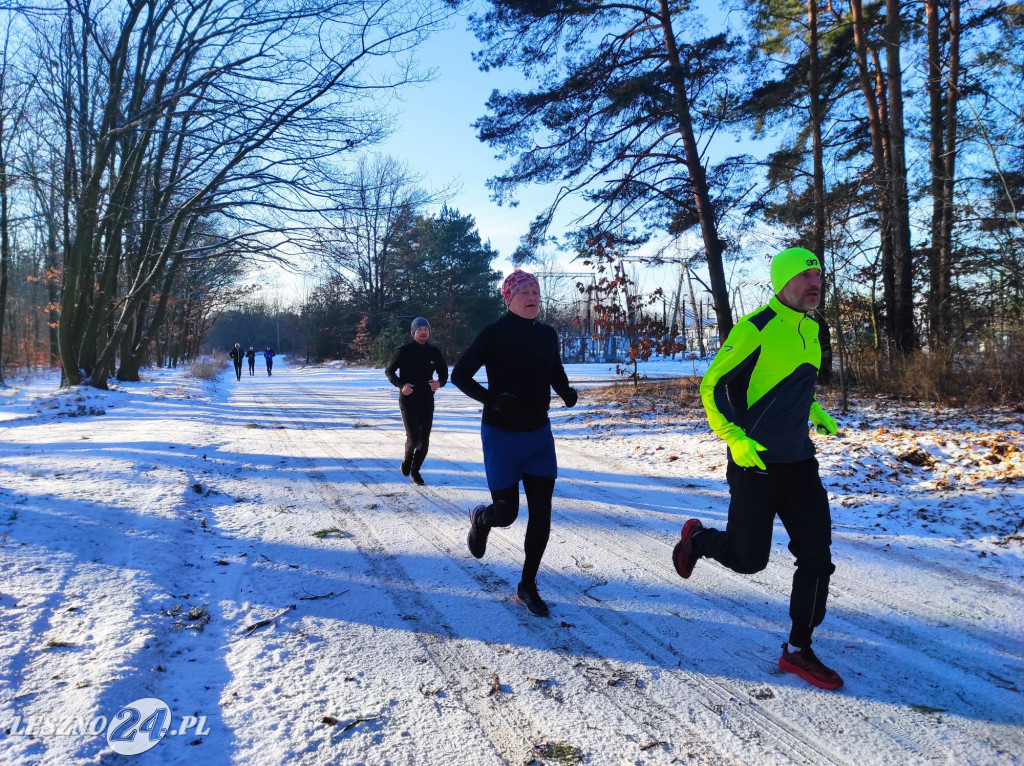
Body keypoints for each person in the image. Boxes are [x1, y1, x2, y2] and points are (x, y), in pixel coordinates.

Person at [672, 247, 843, 690]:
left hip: (801, 465)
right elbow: (713, 387)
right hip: (756, 465)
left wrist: (814, 409)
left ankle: (799, 650)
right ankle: (698, 539)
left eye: (817, 276)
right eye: (804, 276)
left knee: (818, 558)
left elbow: (787, 384)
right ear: (781, 281)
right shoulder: (755, 329)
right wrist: (734, 439)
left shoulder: (812, 327)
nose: (813, 283)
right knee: (749, 560)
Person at [452, 269, 578, 617]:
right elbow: (459, 375)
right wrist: (491, 399)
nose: (532, 296)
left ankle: (527, 585)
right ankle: (481, 519)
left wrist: (566, 391)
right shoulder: (493, 334)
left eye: (535, 291)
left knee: (542, 515)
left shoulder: (548, 335)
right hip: (502, 438)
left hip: (538, 437)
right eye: (523, 292)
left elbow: (554, 369)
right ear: (508, 298)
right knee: (506, 514)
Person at [384, 317, 448, 486]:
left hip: (427, 401)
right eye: (419, 329)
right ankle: (407, 460)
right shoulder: (403, 351)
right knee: (414, 439)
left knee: (424, 442)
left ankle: (415, 470)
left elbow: (444, 374)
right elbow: (389, 371)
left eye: (425, 329)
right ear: (413, 332)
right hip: (408, 400)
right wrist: (401, 385)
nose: (423, 332)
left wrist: (439, 383)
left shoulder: (434, 352)